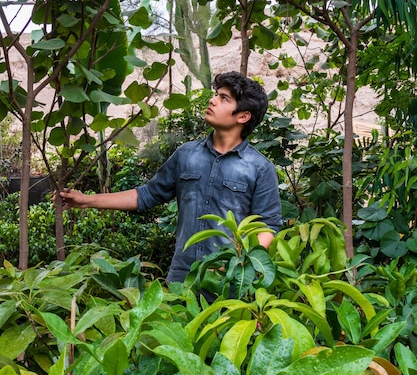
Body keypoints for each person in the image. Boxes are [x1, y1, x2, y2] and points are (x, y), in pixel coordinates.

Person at [55, 71, 282, 283]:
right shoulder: (186, 155)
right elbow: (147, 195)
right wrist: (86, 200)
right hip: (182, 276)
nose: (212, 100)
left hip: (230, 281)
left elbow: (267, 226)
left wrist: (237, 267)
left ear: (243, 116)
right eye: (216, 95)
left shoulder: (259, 168)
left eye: (224, 98)